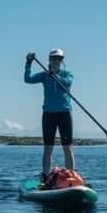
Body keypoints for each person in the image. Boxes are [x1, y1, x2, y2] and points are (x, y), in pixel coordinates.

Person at [24, 49, 74, 183]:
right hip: (48, 114)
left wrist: (54, 75)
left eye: (59, 58)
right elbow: (27, 79)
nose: (56, 60)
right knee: (48, 148)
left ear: (62, 61)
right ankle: (45, 176)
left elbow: (66, 83)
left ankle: (71, 176)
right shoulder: (44, 75)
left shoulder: (68, 74)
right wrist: (28, 63)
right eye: (54, 58)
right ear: (50, 60)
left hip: (64, 113)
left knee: (67, 147)